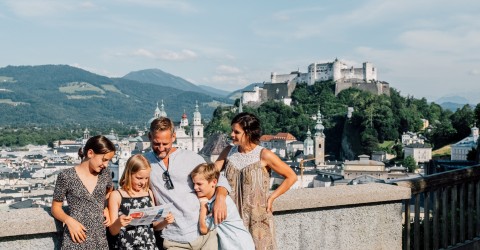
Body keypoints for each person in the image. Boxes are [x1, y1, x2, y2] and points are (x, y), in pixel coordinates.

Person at [144, 117, 231, 250]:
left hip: (204, 233)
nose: (161, 148)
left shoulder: (191, 158)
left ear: (174, 137)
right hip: (173, 238)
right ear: (150, 137)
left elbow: (218, 178)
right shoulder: (145, 163)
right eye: (156, 143)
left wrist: (220, 199)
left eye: (165, 143)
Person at [215, 112, 297, 250]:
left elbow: (291, 176)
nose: (232, 135)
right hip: (232, 217)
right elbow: (211, 175)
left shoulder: (264, 154)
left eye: (236, 132)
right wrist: (220, 195)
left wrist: (272, 198)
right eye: (232, 131)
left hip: (257, 218)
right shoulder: (228, 151)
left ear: (248, 133)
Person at [52, 135, 116, 249]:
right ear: (90, 153)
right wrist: (69, 221)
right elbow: (55, 208)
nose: (106, 165)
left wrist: (106, 207)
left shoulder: (105, 174)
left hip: (99, 239)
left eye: (108, 161)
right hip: (76, 238)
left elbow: (110, 193)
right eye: (104, 159)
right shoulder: (66, 176)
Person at [108, 154, 175, 250]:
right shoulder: (116, 195)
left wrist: (165, 222)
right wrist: (119, 222)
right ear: (128, 174)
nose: (143, 182)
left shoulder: (148, 193)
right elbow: (112, 231)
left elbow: (155, 226)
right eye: (139, 178)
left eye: (146, 178)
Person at [191, 163, 255, 250]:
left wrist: (203, 206)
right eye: (193, 183)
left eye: (199, 184)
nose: (195, 187)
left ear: (214, 182)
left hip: (239, 245)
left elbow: (203, 229)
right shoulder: (214, 200)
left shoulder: (221, 205)